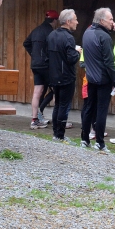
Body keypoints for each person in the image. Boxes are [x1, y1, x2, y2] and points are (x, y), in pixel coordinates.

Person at [81, 8, 115, 154]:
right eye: (110, 19)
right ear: (102, 20)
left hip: (90, 77)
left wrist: (112, 29)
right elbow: (109, 62)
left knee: (89, 108)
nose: (113, 22)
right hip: (103, 79)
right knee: (101, 111)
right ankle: (100, 143)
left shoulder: (87, 32)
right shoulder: (104, 37)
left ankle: (84, 139)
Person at [46, 9, 81, 144]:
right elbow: (71, 59)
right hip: (66, 77)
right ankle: (60, 135)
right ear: (68, 21)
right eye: (75, 19)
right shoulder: (68, 38)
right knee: (64, 106)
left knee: (57, 105)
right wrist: (77, 52)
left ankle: (56, 133)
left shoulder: (51, 35)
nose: (77, 22)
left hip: (53, 76)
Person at [24, 10, 58, 129]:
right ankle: (58, 121)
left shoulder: (36, 30)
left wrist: (34, 55)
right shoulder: (50, 32)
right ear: (54, 21)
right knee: (57, 90)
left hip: (35, 65)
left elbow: (26, 43)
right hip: (46, 65)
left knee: (37, 92)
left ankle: (34, 120)